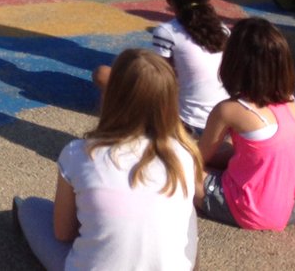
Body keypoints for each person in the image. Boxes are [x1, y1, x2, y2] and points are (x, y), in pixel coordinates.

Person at [14, 49, 202, 270]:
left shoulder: (78, 153)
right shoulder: (183, 154)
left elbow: (63, 233)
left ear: (111, 94)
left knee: (31, 208)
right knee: (187, 212)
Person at [196, 17, 295, 230]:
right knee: (234, 151)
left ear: (235, 63)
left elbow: (198, 158)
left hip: (258, 209)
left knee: (179, 171)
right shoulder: (290, 101)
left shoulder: (229, 110)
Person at [93, 0, 228, 137]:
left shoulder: (167, 32)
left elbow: (158, 79)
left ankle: (114, 130)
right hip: (221, 123)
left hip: (185, 123)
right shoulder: (224, 30)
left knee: (103, 74)